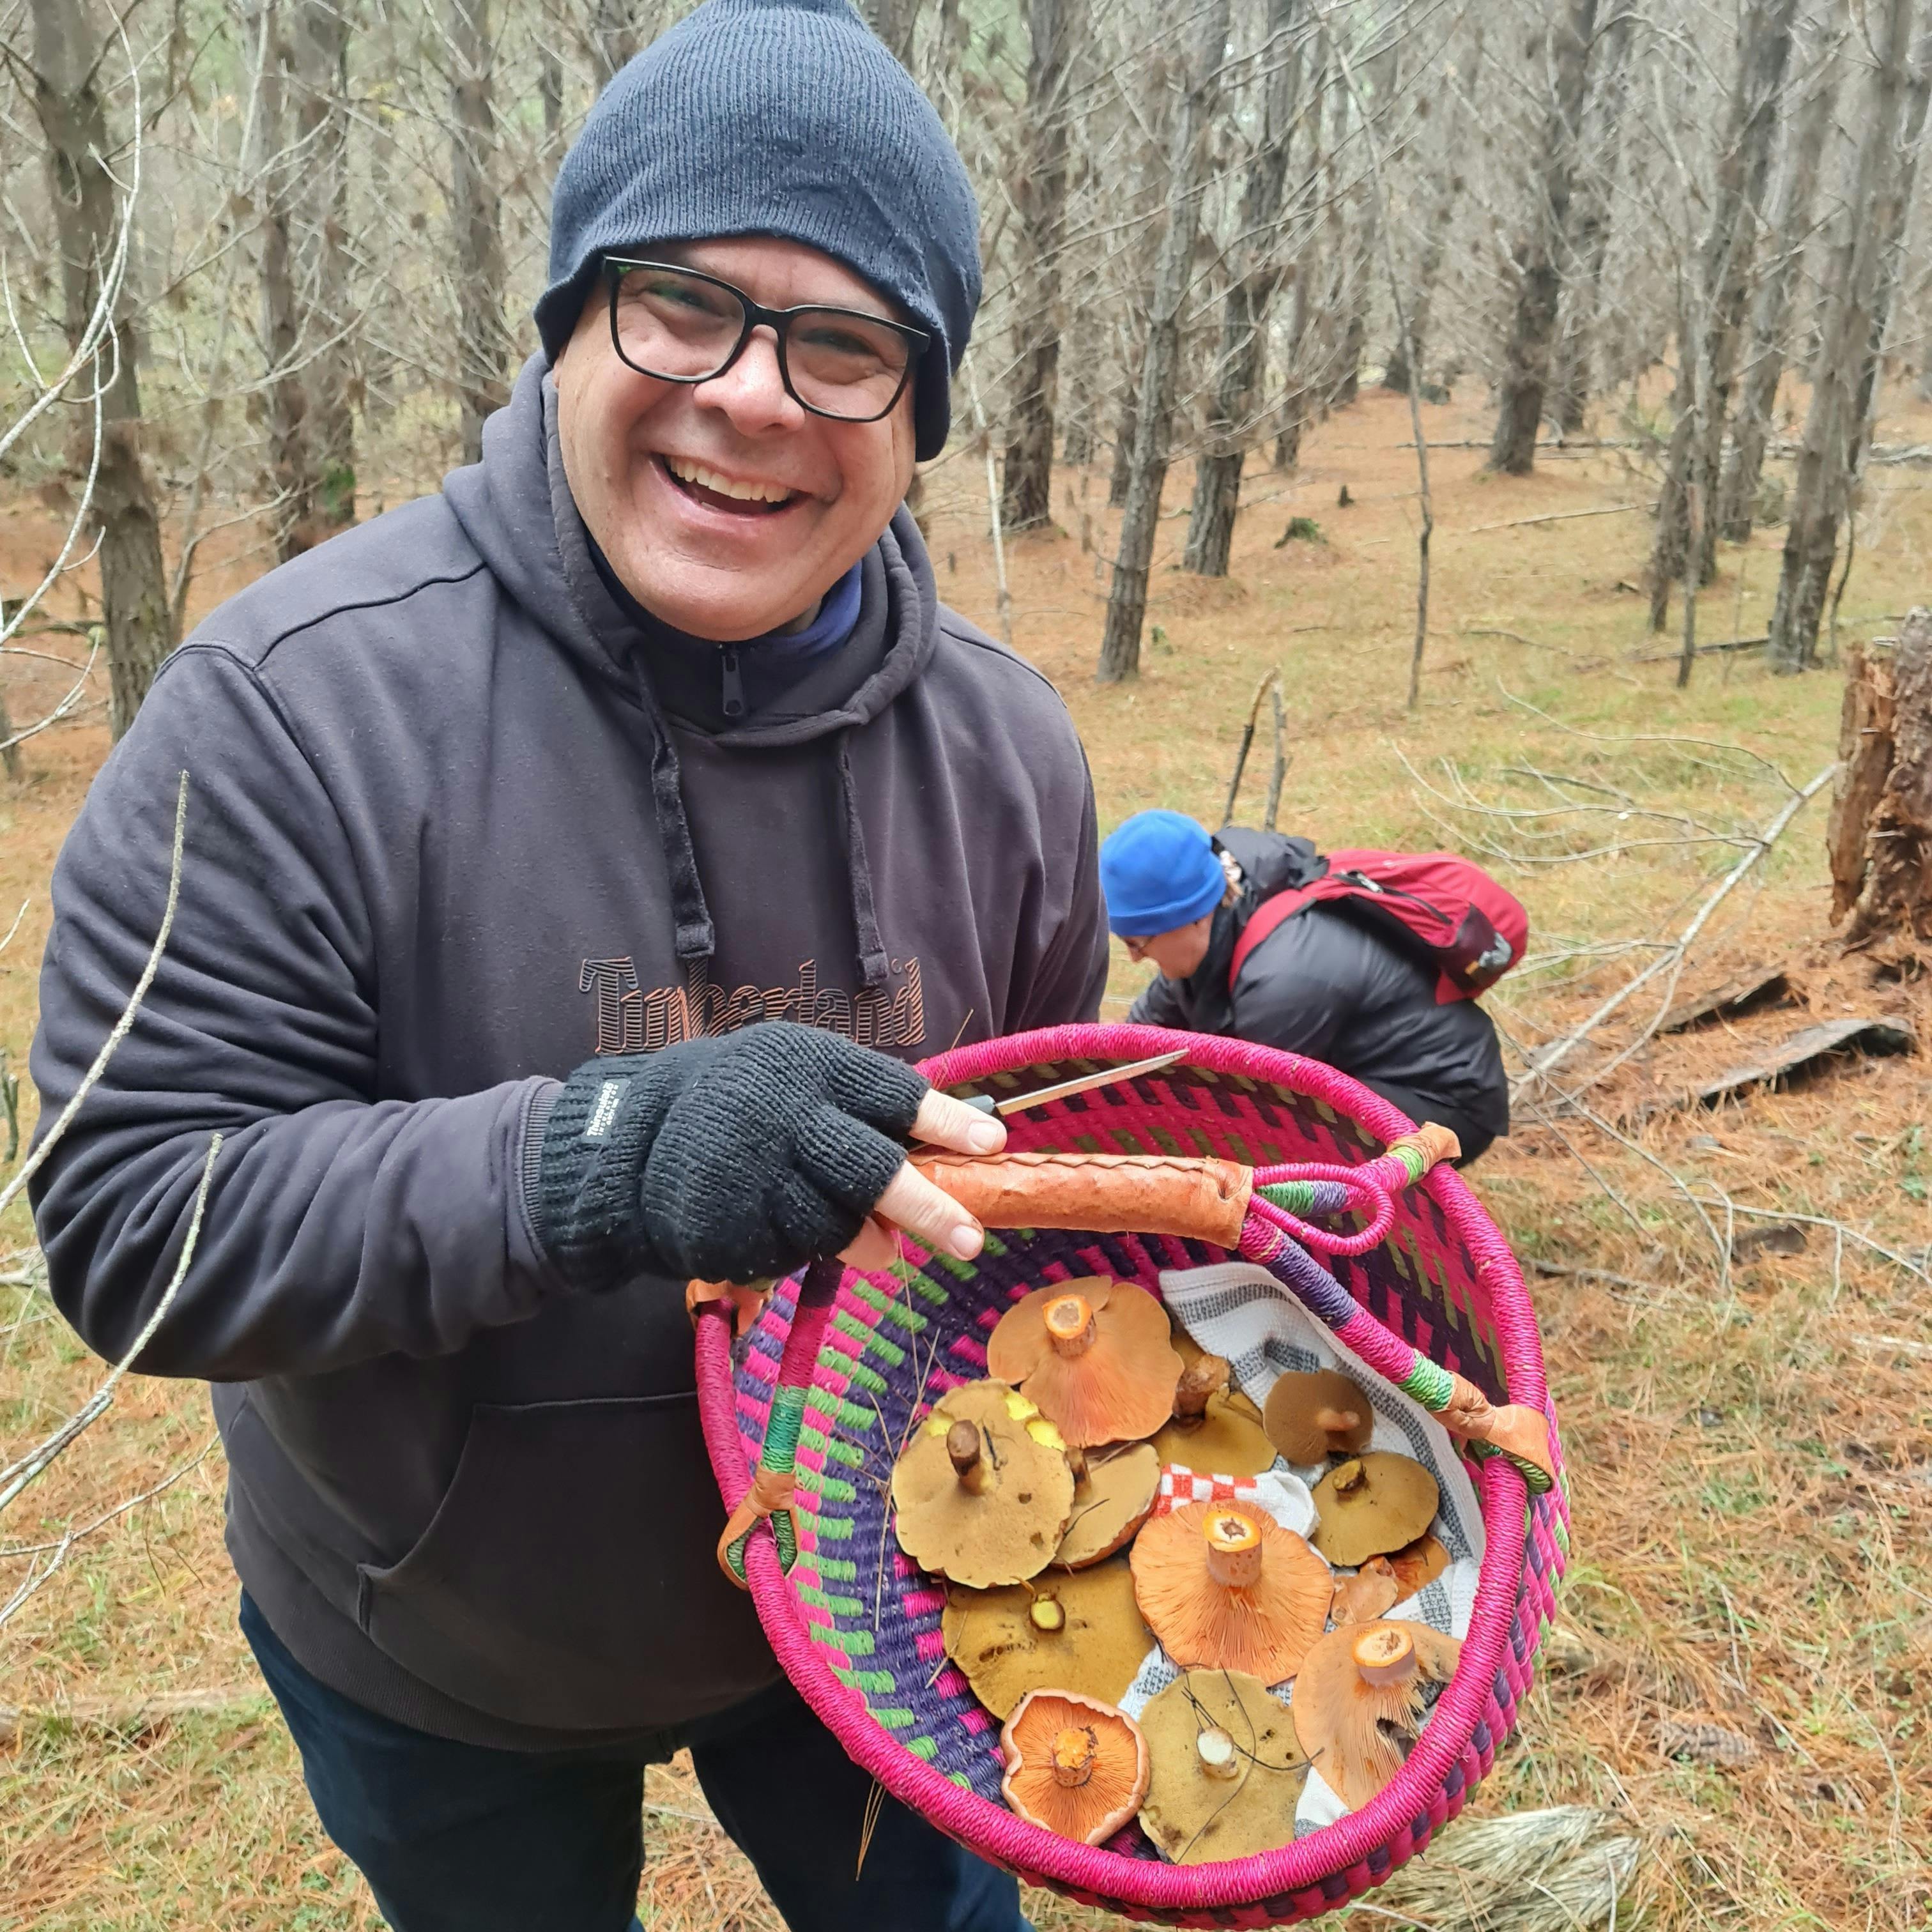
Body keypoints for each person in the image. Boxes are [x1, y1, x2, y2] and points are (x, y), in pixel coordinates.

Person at [27, 4, 1106, 1928]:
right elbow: (136, 1226)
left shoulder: (1007, 757)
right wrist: (593, 1161)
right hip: (450, 1652)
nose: (754, 396)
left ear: (916, 417)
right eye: (681, 304)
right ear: (568, 323)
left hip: (888, 1607)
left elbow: (1026, 1205)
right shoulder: (289, 711)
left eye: (845, 343)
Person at [1099, 811, 1508, 1162]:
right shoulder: (1224, 910)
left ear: (1194, 916)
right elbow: (1148, 1029)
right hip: (1363, 1064)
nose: (1134, 958)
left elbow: (1252, 1113)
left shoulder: (1282, 979)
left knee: (1285, 1151)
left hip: (1440, 1096)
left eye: (1140, 942)